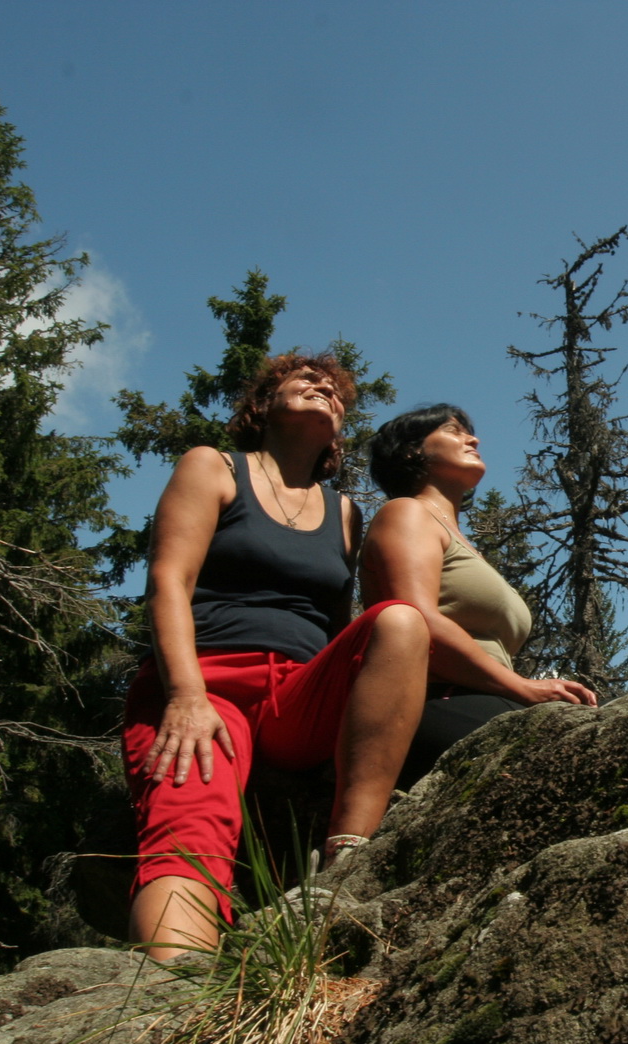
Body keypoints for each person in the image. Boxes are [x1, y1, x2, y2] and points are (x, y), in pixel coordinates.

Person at [122, 354, 430, 961]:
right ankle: (170, 997)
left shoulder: (345, 512)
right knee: (189, 824)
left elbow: (336, 626)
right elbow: (168, 581)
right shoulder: (214, 467)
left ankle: (348, 857)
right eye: (305, 380)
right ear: (262, 405)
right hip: (208, 684)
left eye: (335, 391)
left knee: (399, 621)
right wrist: (184, 695)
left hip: (296, 696)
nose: (324, 388)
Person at [360, 404, 596, 783]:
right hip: (436, 702)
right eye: (453, 431)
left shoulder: (463, 543)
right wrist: (523, 687)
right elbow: (417, 620)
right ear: (411, 451)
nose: (473, 439)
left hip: (486, 699)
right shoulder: (406, 513)